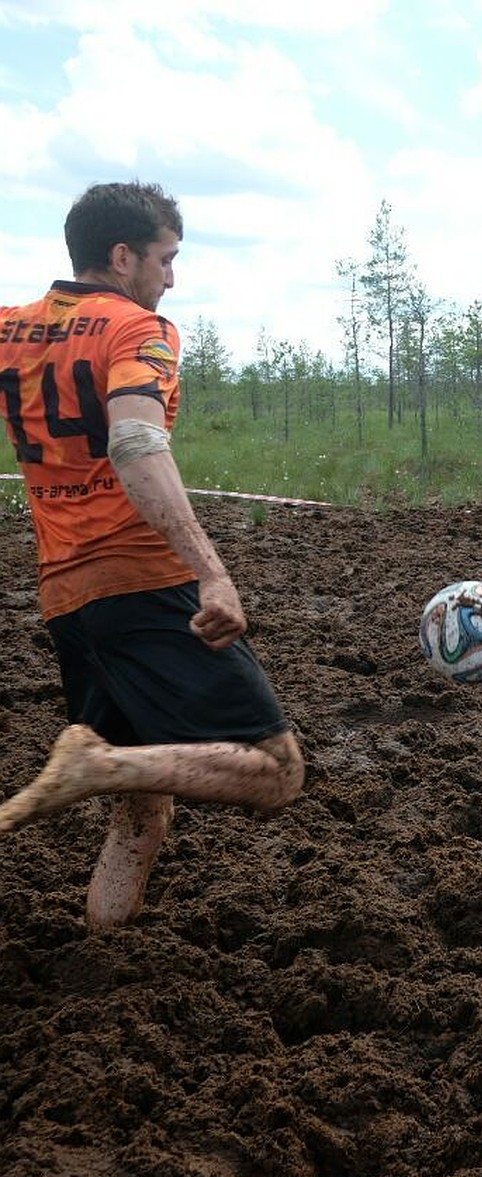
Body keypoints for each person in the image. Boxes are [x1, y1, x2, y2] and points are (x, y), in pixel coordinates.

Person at [0, 181, 304, 930]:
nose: (171, 277)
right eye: (166, 259)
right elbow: (135, 442)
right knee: (276, 771)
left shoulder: (10, 327)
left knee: (140, 817)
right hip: (142, 582)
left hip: (67, 599)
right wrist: (211, 570)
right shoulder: (139, 329)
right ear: (122, 255)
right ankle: (94, 766)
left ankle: (105, 954)